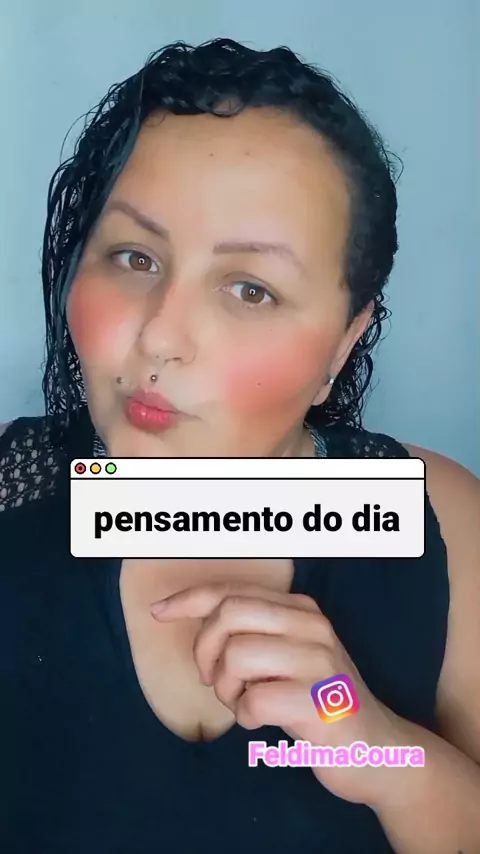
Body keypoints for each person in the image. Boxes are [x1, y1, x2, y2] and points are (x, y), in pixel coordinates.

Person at [0, 37, 479, 854]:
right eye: (134, 257)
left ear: (343, 342)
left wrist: (378, 752)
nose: (160, 336)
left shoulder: (441, 519)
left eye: (250, 290)